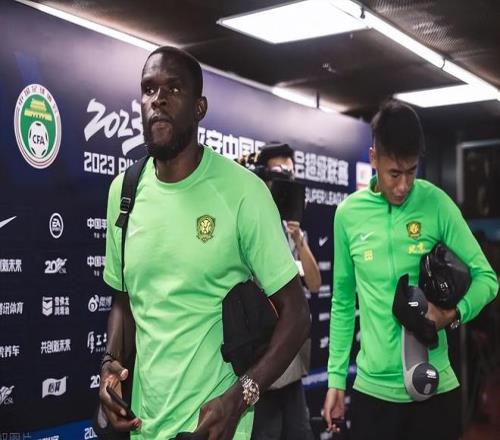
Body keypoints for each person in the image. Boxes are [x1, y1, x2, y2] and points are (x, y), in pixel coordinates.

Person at [98, 46, 311, 440]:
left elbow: (297, 315)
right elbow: (123, 300)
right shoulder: (123, 193)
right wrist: (110, 362)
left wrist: (241, 397)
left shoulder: (243, 192)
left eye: (173, 89)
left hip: (213, 429)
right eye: (149, 89)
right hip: (143, 425)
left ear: (199, 108)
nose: (158, 99)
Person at [323, 100, 498, 440]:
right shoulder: (348, 215)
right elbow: (342, 302)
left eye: (412, 171)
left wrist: (452, 314)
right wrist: (335, 380)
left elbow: (487, 279)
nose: (404, 185)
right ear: (374, 158)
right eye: (394, 173)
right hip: (373, 394)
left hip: (433, 387)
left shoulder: (436, 203)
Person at [251, 143, 321, 440]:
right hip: (260, 362)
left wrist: (298, 240)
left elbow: (315, 284)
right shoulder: (249, 221)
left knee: (300, 432)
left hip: (291, 361)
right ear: (264, 179)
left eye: (290, 174)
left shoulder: (291, 227)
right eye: (279, 174)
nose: (286, 181)